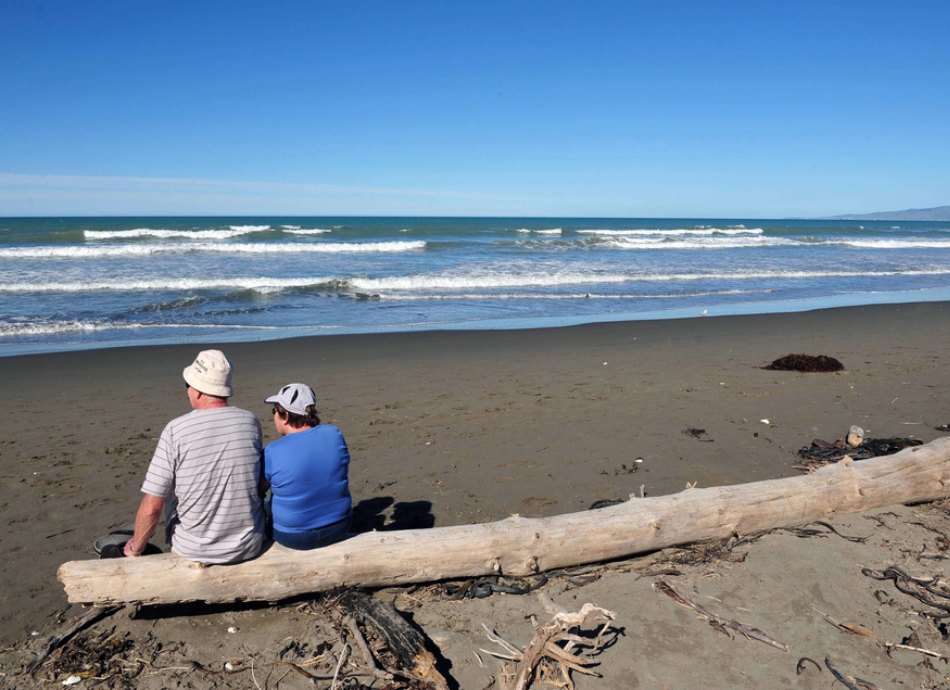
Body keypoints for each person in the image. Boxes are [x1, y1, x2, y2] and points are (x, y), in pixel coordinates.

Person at [120, 350, 265, 563]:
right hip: (247, 545)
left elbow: (152, 507)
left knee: (168, 488)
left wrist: (135, 548)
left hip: (194, 550)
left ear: (197, 391)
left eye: (187, 386)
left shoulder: (176, 429)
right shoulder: (249, 422)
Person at [262, 382, 352, 550]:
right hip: (340, 525)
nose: (273, 416)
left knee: (270, 498)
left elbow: (259, 489)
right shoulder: (334, 434)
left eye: (274, 411)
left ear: (286, 416)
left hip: (294, 537)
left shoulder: (272, 451)